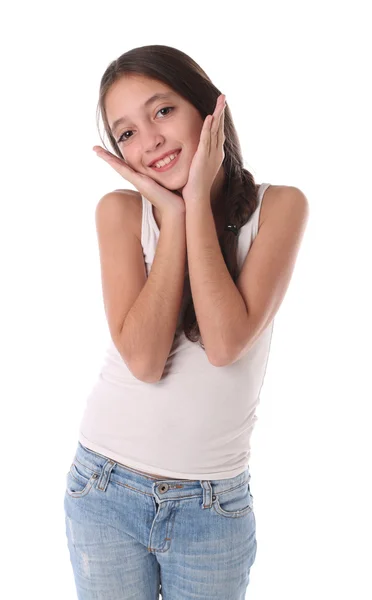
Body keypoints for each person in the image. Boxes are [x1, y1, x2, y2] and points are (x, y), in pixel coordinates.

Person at [63, 44, 309, 599]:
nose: (148, 141)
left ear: (209, 109)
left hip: (211, 508)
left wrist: (196, 200)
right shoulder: (120, 213)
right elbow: (145, 361)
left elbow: (224, 343)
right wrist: (170, 219)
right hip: (104, 488)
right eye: (125, 132)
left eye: (162, 111)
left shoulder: (280, 208)